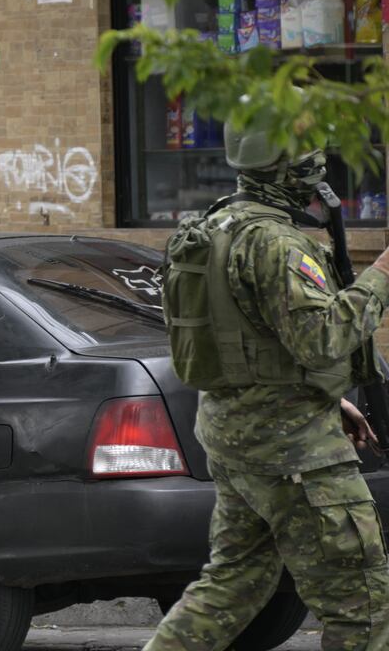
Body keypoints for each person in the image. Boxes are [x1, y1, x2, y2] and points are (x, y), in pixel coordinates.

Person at [148, 116, 389, 650]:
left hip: (238, 436)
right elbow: (323, 337)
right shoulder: (276, 244)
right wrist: (383, 274)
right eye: (308, 159)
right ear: (283, 169)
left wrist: (328, 399)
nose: (320, 168)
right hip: (294, 453)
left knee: (232, 584)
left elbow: (251, 336)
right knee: (362, 607)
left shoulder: (214, 225)